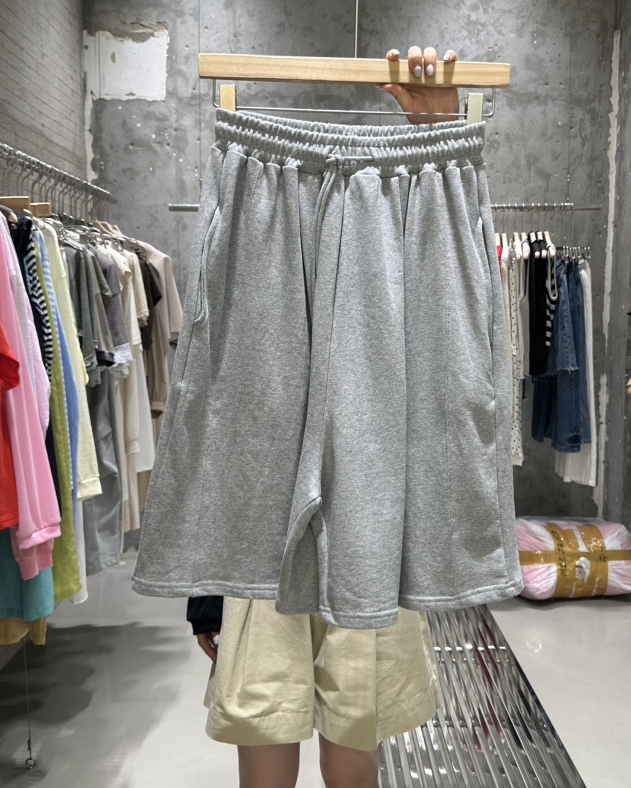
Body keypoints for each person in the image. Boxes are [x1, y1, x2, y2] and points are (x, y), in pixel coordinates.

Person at [190, 45, 463, 788]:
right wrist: (209, 585)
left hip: (370, 513)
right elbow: (222, 401)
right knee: (271, 721)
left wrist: (438, 138)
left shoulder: (403, 209)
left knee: (351, 732)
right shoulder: (251, 211)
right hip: (264, 519)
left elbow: (444, 317)